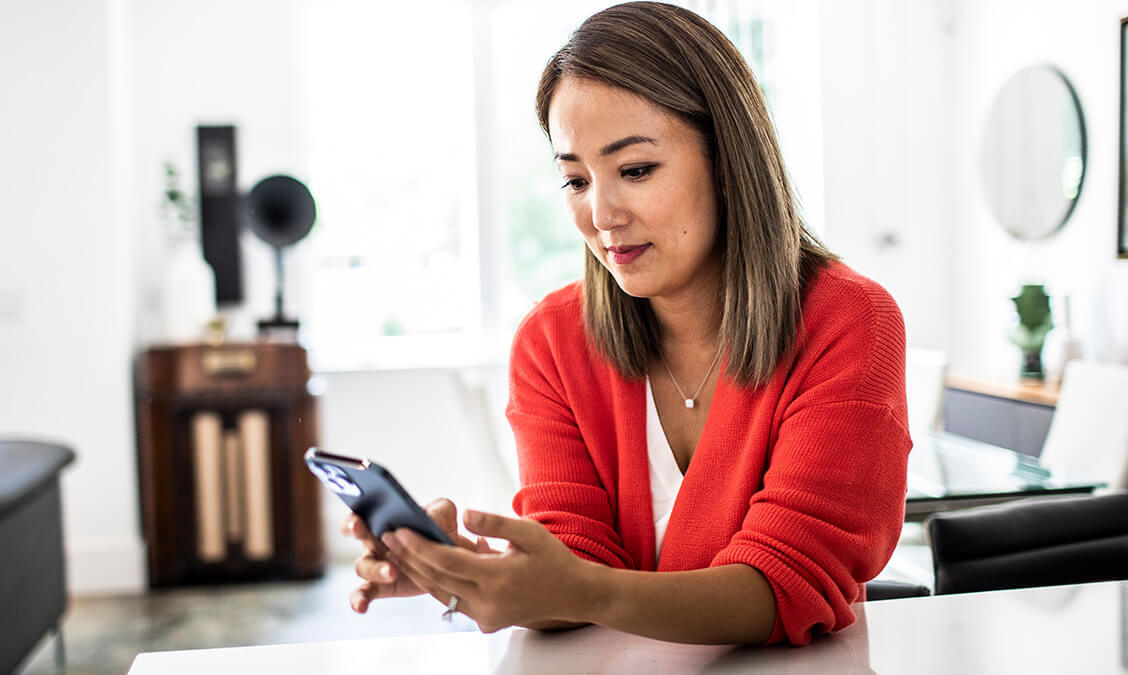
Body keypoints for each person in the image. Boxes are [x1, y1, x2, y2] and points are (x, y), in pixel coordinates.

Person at [343, 1, 911, 646]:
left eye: (636, 170)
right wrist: (465, 572)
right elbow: (574, 561)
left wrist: (577, 588)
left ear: (728, 163)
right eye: (575, 180)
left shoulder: (848, 321)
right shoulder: (551, 341)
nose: (602, 214)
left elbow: (789, 583)